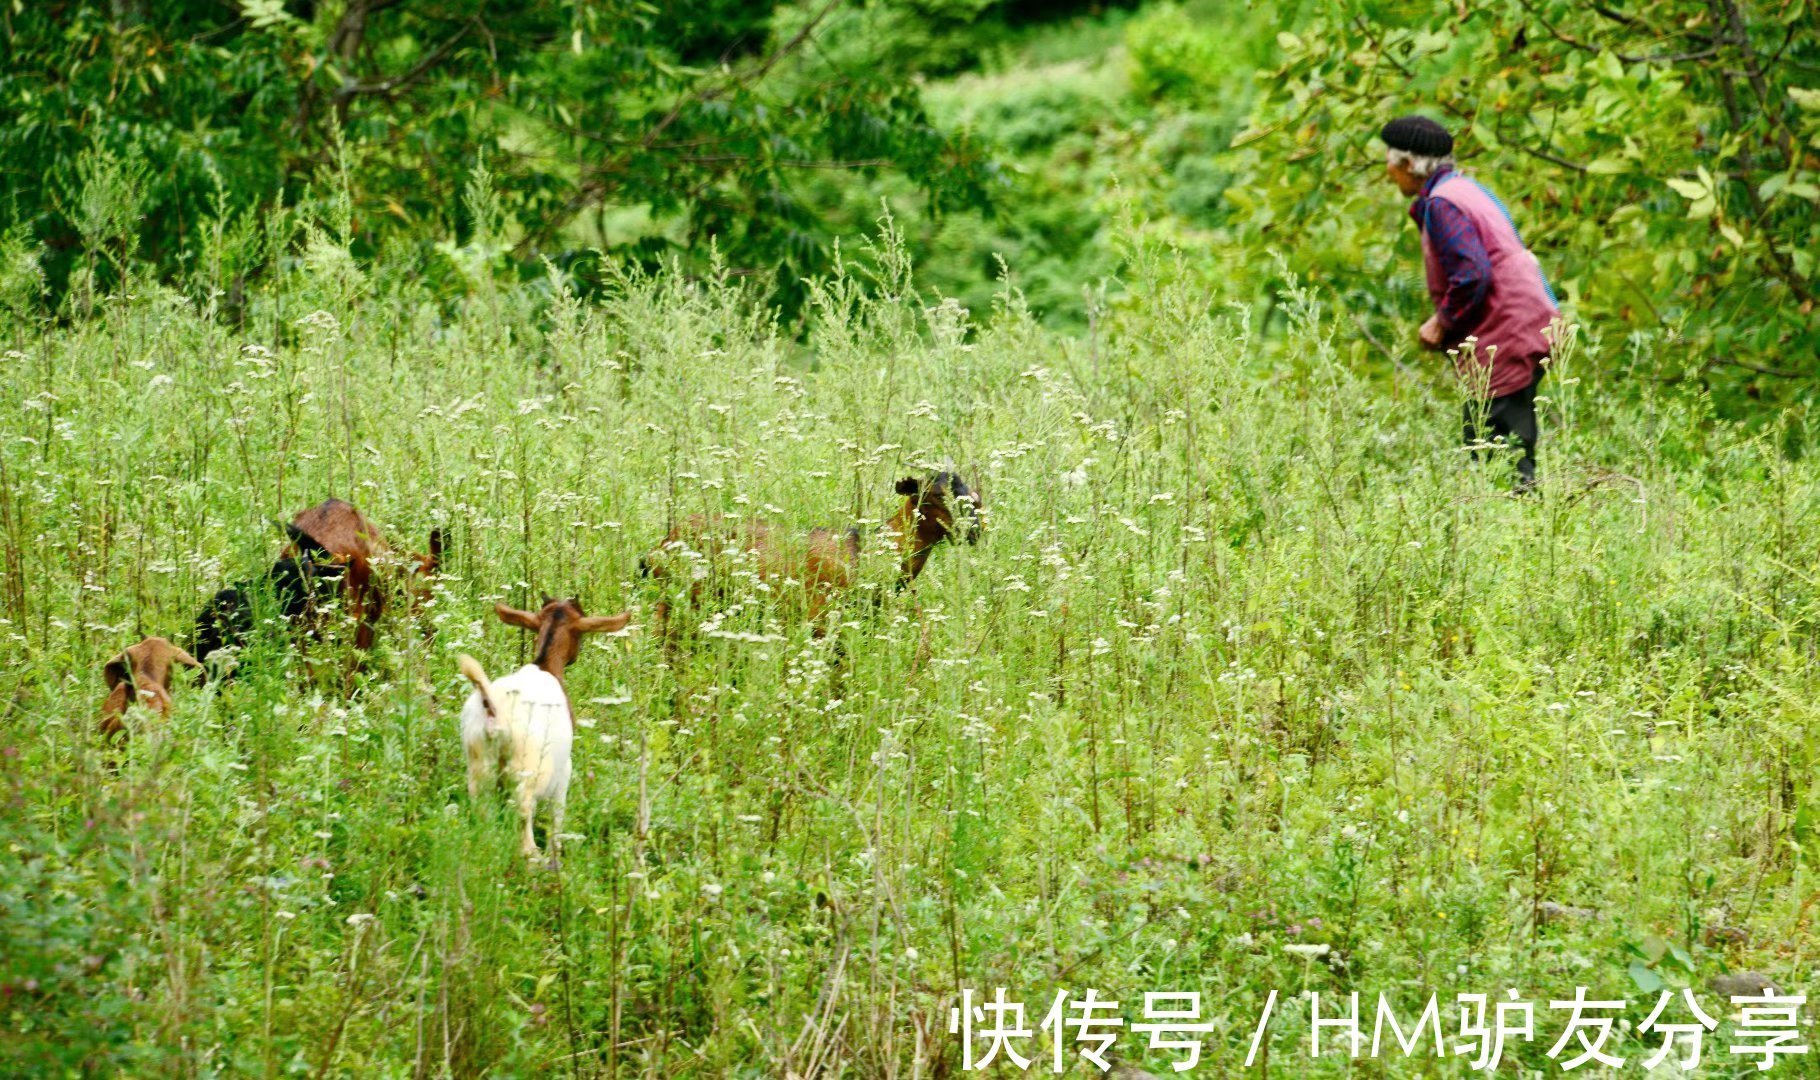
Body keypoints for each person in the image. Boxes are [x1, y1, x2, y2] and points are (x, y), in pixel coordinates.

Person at [1381, 115, 1560, 491]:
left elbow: (1473, 274)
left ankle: (1515, 538)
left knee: (1498, 458)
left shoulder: (1444, 205)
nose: (1387, 173)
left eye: (1390, 163)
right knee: (1502, 448)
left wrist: (1442, 322)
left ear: (1409, 165)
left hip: (1505, 334)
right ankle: (1520, 533)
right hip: (1525, 323)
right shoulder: (1463, 190)